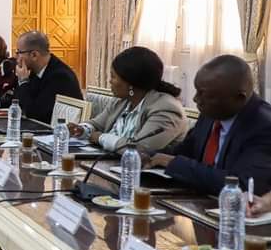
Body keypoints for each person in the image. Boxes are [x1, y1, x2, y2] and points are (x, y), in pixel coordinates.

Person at [148, 55, 271, 196]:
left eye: (203, 94)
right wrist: (150, 156)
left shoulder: (264, 127)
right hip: (196, 202)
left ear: (239, 98)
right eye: (196, 90)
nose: (195, 99)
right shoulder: (212, 112)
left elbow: (243, 185)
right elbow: (185, 151)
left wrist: (174, 163)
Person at [67, 46, 186, 155]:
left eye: (113, 76)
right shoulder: (121, 101)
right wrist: (82, 129)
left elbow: (141, 149)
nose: (110, 81)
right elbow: (97, 124)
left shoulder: (166, 108)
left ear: (130, 82)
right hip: (110, 167)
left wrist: (101, 138)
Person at [13, 30, 83, 123]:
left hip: (56, 132)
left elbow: (34, 113)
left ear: (34, 55)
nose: (15, 56)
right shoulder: (35, 70)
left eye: (19, 52)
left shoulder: (60, 77)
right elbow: (18, 102)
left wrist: (23, 81)